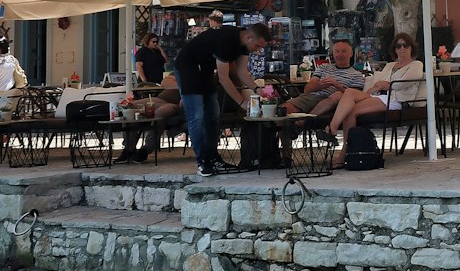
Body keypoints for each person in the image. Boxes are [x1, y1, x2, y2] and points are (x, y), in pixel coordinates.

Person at [174, 20, 271, 177]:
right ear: (249, 38)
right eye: (258, 46)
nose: (259, 51)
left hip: (204, 70)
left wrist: (257, 89)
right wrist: (241, 103)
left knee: (213, 114)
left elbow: (241, 72)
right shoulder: (226, 40)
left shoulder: (244, 44)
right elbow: (224, 78)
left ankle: (213, 157)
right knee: (197, 116)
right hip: (188, 67)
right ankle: (203, 161)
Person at [323, 34, 425, 166]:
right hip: (379, 95)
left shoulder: (416, 64)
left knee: (351, 110)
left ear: (412, 48)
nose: (402, 49)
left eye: (405, 45)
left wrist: (386, 85)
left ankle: (342, 149)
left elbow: (403, 84)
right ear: (395, 49)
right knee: (348, 92)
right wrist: (379, 86)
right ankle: (334, 128)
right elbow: (377, 82)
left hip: (396, 99)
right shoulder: (390, 65)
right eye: (398, 46)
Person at [284, 38, 365, 119]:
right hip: (312, 97)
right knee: (284, 109)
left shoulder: (357, 75)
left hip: (334, 102)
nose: (339, 55)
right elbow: (307, 89)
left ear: (351, 53)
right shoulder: (323, 67)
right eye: (337, 51)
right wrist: (319, 85)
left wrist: (337, 85)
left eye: (343, 51)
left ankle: (307, 120)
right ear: (333, 53)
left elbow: (354, 96)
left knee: (338, 95)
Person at [117, 73, 185, 164]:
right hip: (160, 99)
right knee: (130, 107)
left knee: (161, 113)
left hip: (176, 104)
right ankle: (129, 148)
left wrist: (182, 87)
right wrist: (184, 86)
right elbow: (165, 82)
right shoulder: (181, 69)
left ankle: (146, 149)